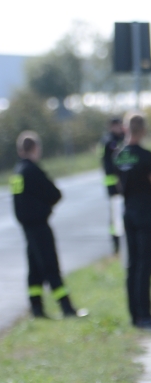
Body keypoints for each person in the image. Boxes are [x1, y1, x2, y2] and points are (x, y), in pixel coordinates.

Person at [11, 131, 85, 319]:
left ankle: (36, 308)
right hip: (39, 226)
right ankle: (67, 308)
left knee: (35, 269)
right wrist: (44, 208)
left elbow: (19, 203)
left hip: (27, 228)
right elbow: (55, 194)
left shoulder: (17, 173)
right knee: (50, 266)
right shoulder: (33, 171)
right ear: (35, 148)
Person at [114, 113, 151, 329]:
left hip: (129, 212)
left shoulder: (119, 154)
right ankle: (145, 315)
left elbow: (120, 185)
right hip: (147, 212)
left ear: (126, 129)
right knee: (146, 264)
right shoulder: (146, 155)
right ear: (143, 130)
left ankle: (134, 314)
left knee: (133, 264)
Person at [101, 115, 125, 253]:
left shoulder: (123, 138)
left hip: (124, 183)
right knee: (115, 214)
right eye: (117, 125)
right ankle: (116, 243)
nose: (119, 128)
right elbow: (108, 165)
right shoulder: (108, 142)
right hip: (113, 184)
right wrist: (116, 182)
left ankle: (123, 239)